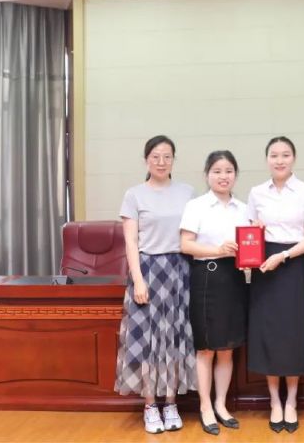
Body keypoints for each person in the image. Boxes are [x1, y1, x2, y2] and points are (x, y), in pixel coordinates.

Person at [115, 135, 196, 434]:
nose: (161, 162)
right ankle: (150, 405)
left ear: (173, 159)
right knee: (150, 342)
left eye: (167, 156)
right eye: (155, 156)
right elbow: (130, 242)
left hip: (180, 271)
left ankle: (171, 403)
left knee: (175, 339)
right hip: (148, 270)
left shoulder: (188, 193)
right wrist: (138, 279)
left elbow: (195, 235)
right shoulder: (134, 195)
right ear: (146, 160)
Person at [246, 136, 304, 434]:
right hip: (265, 267)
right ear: (267, 159)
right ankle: (274, 401)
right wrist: (254, 245)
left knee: (293, 333)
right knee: (268, 333)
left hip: (292, 264)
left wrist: (284, 255)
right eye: (274, 155)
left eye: (285, 155)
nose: (280, 160)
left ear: (294, 158)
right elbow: (250, 233)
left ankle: (291, 401)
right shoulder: (256, 192)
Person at [179, 150, 249, 436]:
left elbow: (251, 244)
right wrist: (218, 250)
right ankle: (205, 406)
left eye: (229, 171)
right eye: (217, 171)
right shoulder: (196, 206)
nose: (223, 176)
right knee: (206, 348)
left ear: (235, 175)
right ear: (207, 175)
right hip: (206, 277)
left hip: (234, 278)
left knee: (227, 348)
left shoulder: (244, 209)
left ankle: (221, 404)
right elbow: (186, 245)